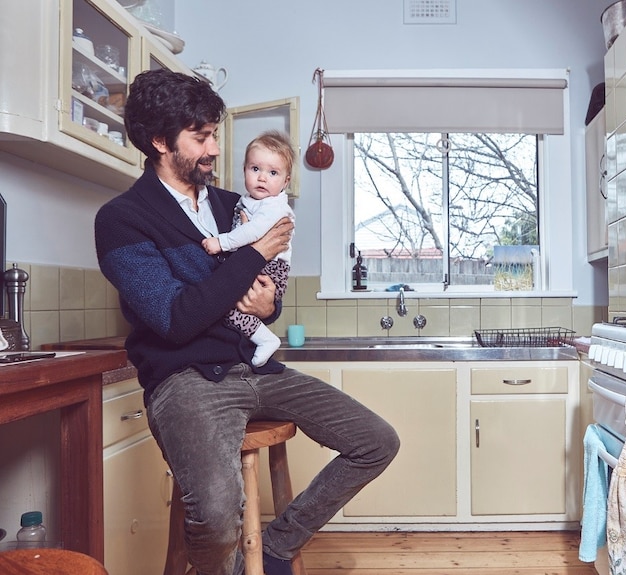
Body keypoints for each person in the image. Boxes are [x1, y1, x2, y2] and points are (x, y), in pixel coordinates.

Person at [94, 69, 399, 575]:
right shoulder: (122, 218)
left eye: (214, 133)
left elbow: (264, 291)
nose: (215, 148)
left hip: (254, 367)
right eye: (201, 136)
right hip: (185, 379)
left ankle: (276, 546)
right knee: (216, 515)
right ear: (159, 141)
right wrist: (255, 251)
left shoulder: (234, 205)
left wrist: (267, 307)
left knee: (376, 441)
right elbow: (175, 318)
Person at [202, 130, 296, 367]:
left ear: (286, 181)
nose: (262, 178)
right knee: (229, 308)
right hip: (262, 266)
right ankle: (263, 339)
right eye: (255, 169)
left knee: (229, 308)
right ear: (244, 169)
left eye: (273, 173)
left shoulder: (274, 207)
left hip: (272, 269)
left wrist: (221, 242)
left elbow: (251, 233)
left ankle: (265, 339)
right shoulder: (248, 201)